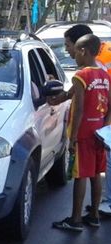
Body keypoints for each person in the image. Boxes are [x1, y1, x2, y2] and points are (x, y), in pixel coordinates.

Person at [53, 34, 111, 231]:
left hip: (83, 133)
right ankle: (94, 215)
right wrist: (105, 129)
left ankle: (75, 219)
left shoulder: (81, 76)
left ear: (83, 51)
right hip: (99, 132)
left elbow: (78, 109)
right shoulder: (105, 75)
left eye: (76, 51)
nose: (73, 55)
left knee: (80, 175)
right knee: (96, 174)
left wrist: (73, 138)